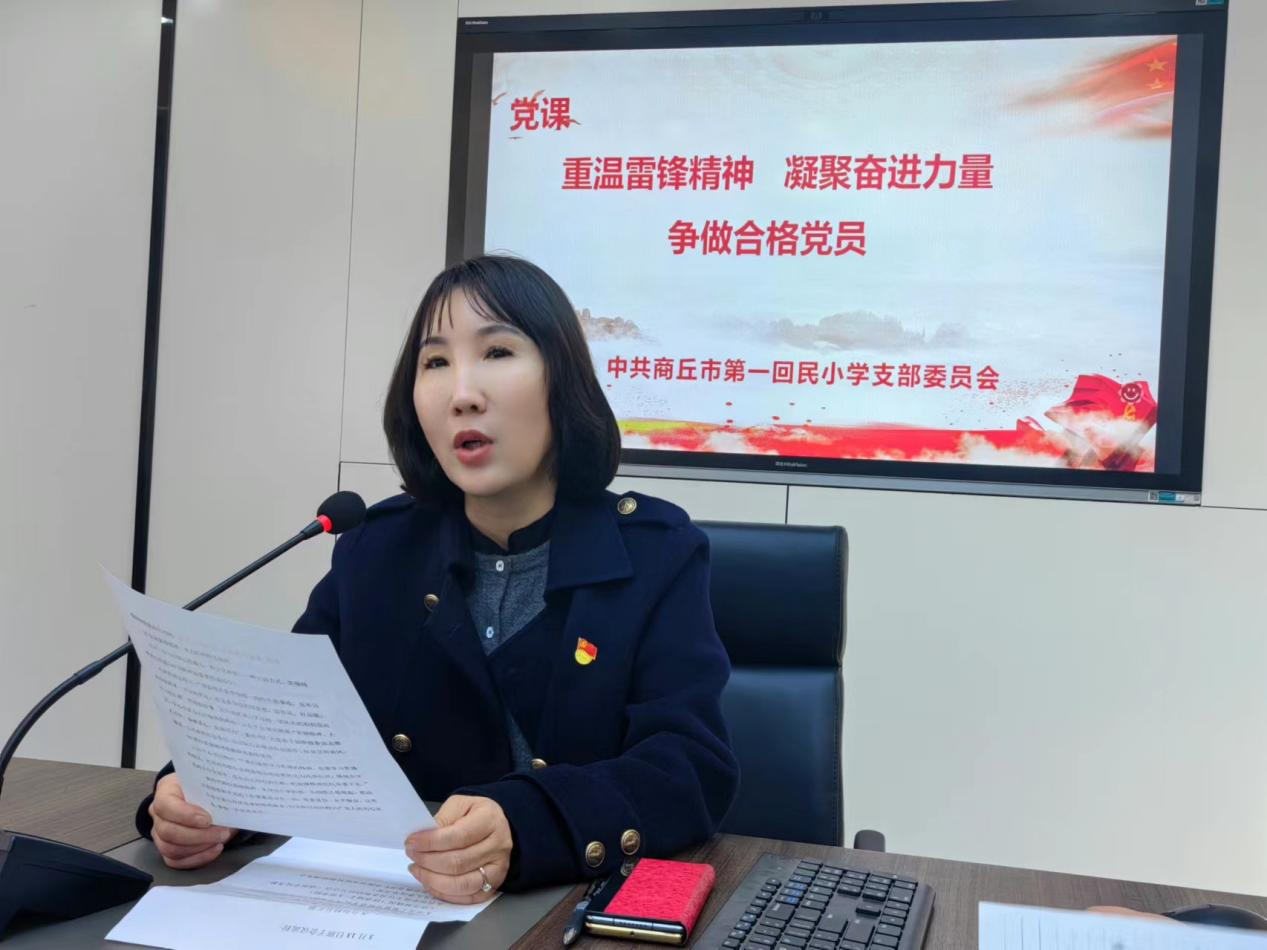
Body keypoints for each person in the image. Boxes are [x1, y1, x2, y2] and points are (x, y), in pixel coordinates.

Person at [134, 255, 740, 903]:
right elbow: (292, 723)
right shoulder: (377, 547)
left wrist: (525, 823)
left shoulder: (655, 552)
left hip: (562, 906)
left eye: (497, 352)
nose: (462, 393)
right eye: (436, 362)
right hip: (392, 902)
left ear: (562, 380)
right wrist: (203, 794)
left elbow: (687, 767)